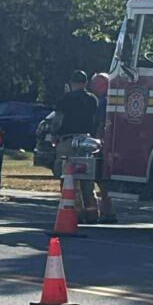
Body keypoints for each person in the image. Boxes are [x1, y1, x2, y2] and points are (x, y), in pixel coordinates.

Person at [53, 70, 100, 222]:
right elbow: (96, 121)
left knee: (68, 177)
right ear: (86, 83)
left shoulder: (65, 99)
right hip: (87, 141)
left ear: (71, 83)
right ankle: (92, 213)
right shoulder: (93, 99)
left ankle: (74, 212)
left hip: (68, 141)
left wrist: (54, 134)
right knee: (87, 179)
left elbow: (57, 120)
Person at [89, 72, 117, 224]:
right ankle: (107, 211)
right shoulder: (112, 99)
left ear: (103, 85)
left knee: (100, 178)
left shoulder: (104, 101)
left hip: (102, 145)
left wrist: (97, 142)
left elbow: (101, 123)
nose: (92, 87)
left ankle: (106, 211)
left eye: (95, 84)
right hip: (111, 144)